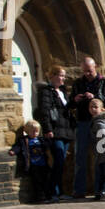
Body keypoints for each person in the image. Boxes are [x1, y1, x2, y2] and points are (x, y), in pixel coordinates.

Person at [69, 57, 105, 198]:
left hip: (100, 122)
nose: (87, 74)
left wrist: (95, 96)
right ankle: (79, 191)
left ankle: (100, 190)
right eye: (84, 71)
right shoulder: (78, 83)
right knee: (80, 157)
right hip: (83, 122)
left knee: (101, 157)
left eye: (89, 71)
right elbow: (70, 104)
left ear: (95, 67)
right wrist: (75, 100)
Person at [35, 65, 74, 201]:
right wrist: (48, 129)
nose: (62, 78)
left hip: (66, 131)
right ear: (52, 76)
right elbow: (44, 111)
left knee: (61, 162)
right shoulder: (46, 91)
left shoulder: (63, 92)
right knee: (58, 160)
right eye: (60, 75)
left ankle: (59, 191)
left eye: (64, 76)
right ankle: (52, 192)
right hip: (55, 131)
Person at [9, 119, 50, 201]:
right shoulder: (25, 140)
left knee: (46, 179)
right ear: (27, 131)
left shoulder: (41, 140)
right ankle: (40, 197)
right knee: (37, 181)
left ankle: (47, 195)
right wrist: (13, 151)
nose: (35, 134)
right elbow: (18, 146)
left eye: (37, 132)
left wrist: (48, 140)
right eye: (33, 132)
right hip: (33, 164)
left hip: (43, 163)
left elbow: (47, 146)